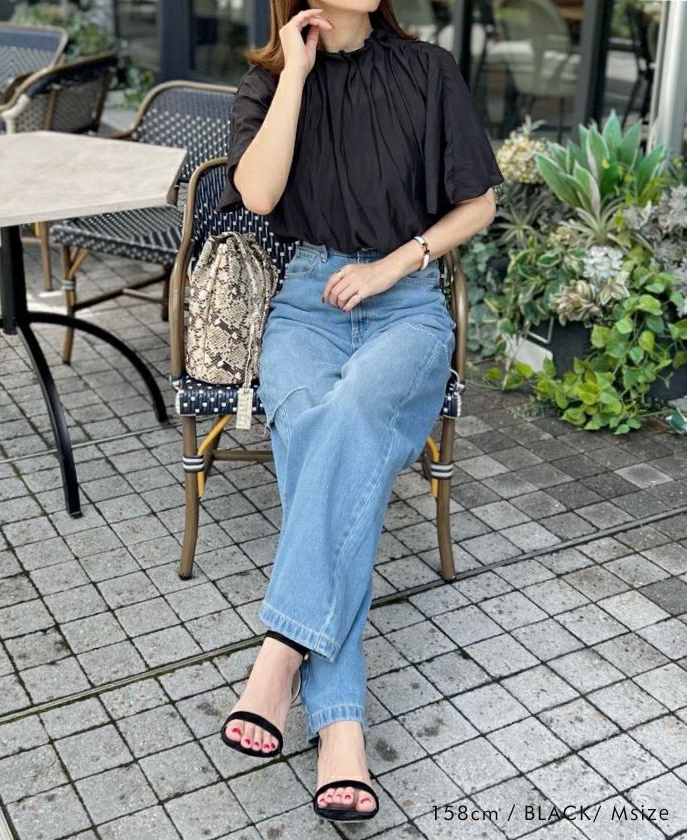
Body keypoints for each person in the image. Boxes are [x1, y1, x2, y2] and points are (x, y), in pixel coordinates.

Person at [215, 0, 504, 823]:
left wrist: (390, 268)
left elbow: (478, 205)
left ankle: (280, 653)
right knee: (325, 425)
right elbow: (258, 195)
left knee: (340, 420)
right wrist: (296, 74)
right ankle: (340, 728)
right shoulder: (269, 83)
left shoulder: (428, 71)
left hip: (406, 304)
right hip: (306, 304)